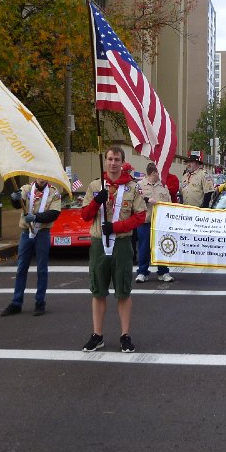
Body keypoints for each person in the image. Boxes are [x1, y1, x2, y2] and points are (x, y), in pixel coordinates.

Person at [80, 146, 146, 353]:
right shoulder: (95, 186)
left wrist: (117, 227)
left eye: (117, 159)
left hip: (122, 244)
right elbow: (84, 215)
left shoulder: (132, 188)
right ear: (105, 161)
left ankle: (125, 335)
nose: (113, 163)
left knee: (123, 291)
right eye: (109, 159)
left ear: (122, 162)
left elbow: (140, 216)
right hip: (99, 244)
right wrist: (96, 202)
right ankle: (97, 335)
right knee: (98, 290)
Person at [0, 178, 62, 317]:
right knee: (21, 268)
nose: (41, 178)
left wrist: (36, 217)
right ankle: (16, 302)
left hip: (42, 233)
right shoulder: (27, 188)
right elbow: (18, 204)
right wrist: (14, 199)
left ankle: (40, 302)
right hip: (26, 233)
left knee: (41, 269)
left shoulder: (54, 192)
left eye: (43, 176)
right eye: (38, 175)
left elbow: (54, 213)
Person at [135, 163, 174, 283]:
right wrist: (147, 199)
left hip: (160, 222)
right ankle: (142, 272)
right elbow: (135, 199)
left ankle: (163, 272)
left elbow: (169, 202)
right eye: (159, 172)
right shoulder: (139, 185)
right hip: (145, 221)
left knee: (162, 247)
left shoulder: (163, 186)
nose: (161, 174)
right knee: (144, 248)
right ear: (153, 173)